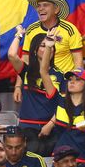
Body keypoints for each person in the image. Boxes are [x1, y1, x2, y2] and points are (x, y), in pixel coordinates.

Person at [8, 28, 62, 156]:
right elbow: (11, 55)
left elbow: (63, 104)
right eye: (42, 46)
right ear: (35, 50)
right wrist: (19, 35)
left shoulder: (61, 75)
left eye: (51, 46)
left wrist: (50, 124)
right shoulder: (26, 71)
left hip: (51, 129)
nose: (49, 49)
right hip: (27, 128)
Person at [23, 0, 83, 73]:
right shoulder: (31, 29)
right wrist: (20, 85)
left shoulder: (70, 29)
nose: (40, 9)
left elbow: (78, 60)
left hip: (64, 81)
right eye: (38, 6)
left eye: (45, 5)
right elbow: (26, 59)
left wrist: (75, 82)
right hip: (38, 80)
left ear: (56, 9)